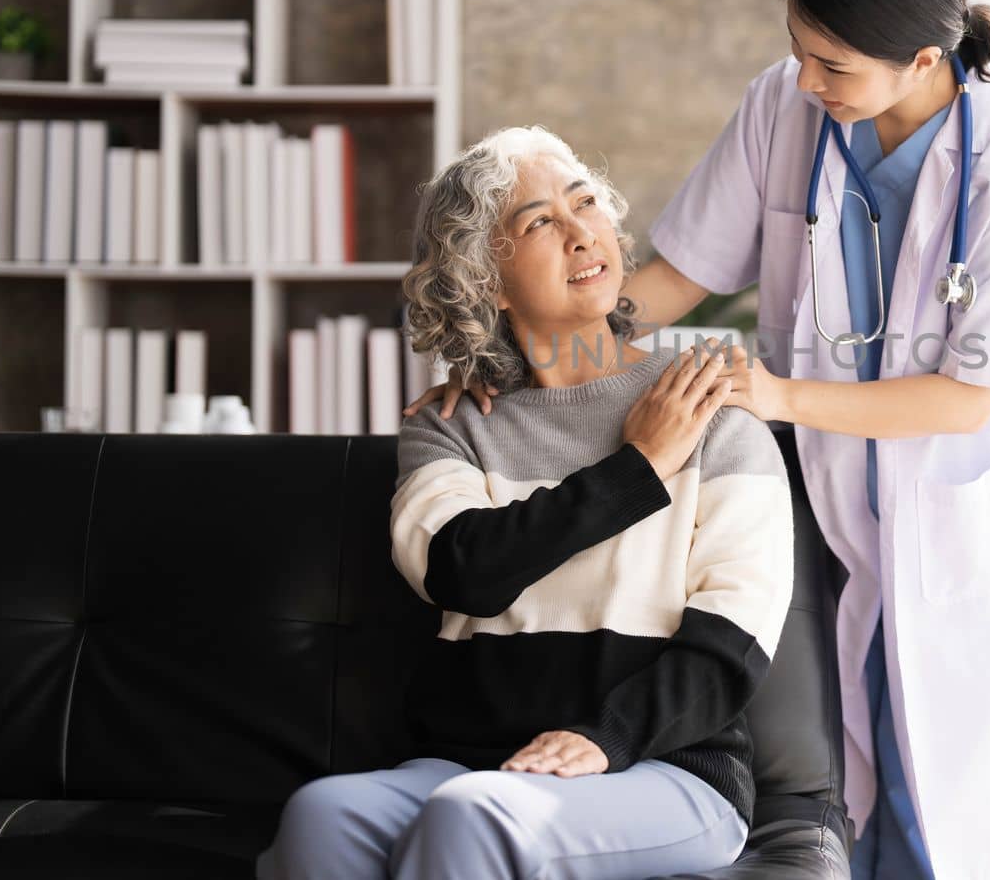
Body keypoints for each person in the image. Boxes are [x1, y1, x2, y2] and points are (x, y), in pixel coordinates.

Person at [406, 0, 990, 880]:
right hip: (805, 493)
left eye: (832, 65)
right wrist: (520, 348)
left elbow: (968, 397)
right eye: (799, 49)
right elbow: (676, 274)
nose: (806, 79)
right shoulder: (784, 105)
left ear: (924, 61)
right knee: (828, 770)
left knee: (938, 797)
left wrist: (777, 395)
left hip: (937, 514)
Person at [258, 126, 794, 880]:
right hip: (472, 763)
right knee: (322, 816)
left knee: (474, 814)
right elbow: (463, 571)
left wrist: (605, 736)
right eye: (540, 221)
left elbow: (734, 638)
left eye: (586, 205)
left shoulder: (710, 410)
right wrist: (637, 467)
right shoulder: (452, 426)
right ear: (489, 281)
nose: (581, 234)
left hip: (662, 767)